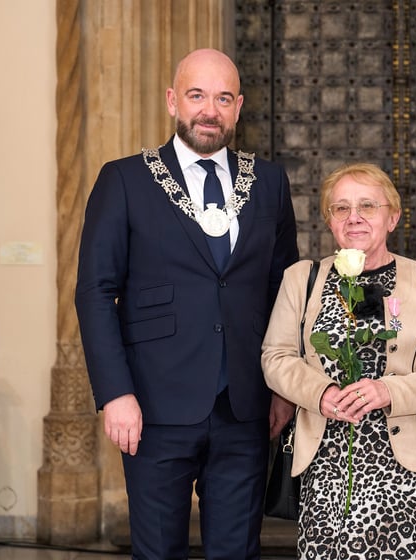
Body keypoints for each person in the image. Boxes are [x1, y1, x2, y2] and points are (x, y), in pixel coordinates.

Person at [75, 48, 298, 559]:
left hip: (245, 408)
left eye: (223, 98)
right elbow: (93, 292)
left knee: (237, 552)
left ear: (239, 107)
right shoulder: (125, 180)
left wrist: (284, 389)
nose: (209, 110)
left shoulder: (269, 183)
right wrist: (115, 394)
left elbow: (284, 294)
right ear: (174, 101)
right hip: (153, 407)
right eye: (197, 96)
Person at [261, 163, 416, 559]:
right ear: (329, 220)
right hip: (327, 467)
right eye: (340, 208)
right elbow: (276, 356)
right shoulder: (302, 278)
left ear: (392, 217)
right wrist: (319, 393)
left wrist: (388, 390)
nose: (353, 217)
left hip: (409, 474)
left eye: (367, 206)